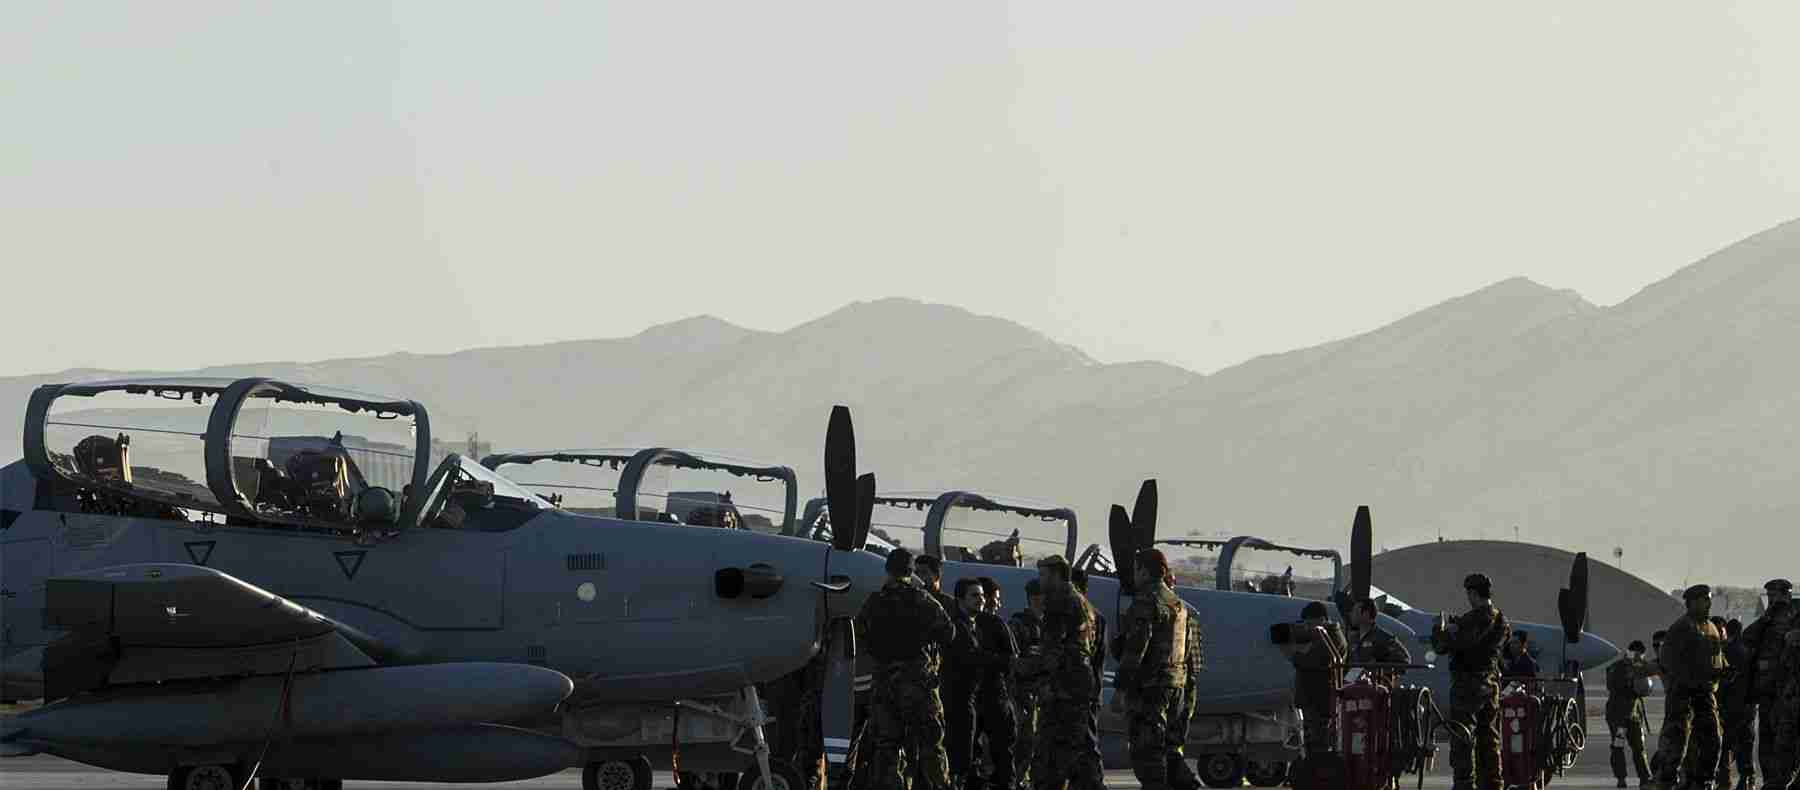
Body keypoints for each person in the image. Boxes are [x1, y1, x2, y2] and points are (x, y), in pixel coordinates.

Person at [855, 548, 955, 790]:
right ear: (911, 573)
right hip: (917, 682)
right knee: (931, 743)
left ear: (888, 570)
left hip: (884, 683)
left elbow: (861, 636)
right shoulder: (922, 600)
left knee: (887, 746)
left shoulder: (873, 602)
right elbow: (948, 633)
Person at [1022, 555, 1108, 790]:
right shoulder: (1083, 603)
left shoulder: (1058, 601)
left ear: (1057, 575)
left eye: (1043, 575)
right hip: (1079, 688)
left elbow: (1052, 651)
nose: (1040, 581)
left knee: (1051, 758)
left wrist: (1026, 670)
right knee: (1078, 752)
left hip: (1063, 690)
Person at [1111, 549, 1189, 790]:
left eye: (1136, 570)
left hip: (1150, 690)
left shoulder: (1147, 600)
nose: (1134, 575)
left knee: (1147, 758)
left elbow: (1136, 649)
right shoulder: (1177, 603)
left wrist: (1120, 690)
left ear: (1144, 571)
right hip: (1175, 686)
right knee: (1167, 753)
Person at [1432, 572, 1509, 790]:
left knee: (1462, 737)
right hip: (1490, 684)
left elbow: (1443, 646)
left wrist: (1440, 629)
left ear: (1473, 593)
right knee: (1489, 738)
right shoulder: (1501, 619)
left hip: (1467, 686)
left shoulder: (1473, 619)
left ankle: (1464, 784)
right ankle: (1493, 783)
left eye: (1468, 593)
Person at [1651, 584, 1726, 790]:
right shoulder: (1681, 628)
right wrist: (1687, 680)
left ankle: (1704, 782)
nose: (1709, 603)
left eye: (1709, 599)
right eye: (1705, 600)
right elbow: (1667, 660)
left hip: (1706, 694)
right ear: (1692, 603)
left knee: (1713, 740)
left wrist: (1722, 672)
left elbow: (1718, 659)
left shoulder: (1711, 628)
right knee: (1676, 744)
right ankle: (1666, 782)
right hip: (1683, 695)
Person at [944, 578, 1007, 790]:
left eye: (982, 595)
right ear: (960, 599)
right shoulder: (958, 627)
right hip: (957, 700)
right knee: (960, 758)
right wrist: (1004, 660)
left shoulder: (973, 626)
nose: (981, 600)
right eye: (974, 595)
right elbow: (972, 657)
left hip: (969, 699)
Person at [1742, 579, 1795, 788]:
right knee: (1767, 739)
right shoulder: (1766, 621)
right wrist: (1765, 619)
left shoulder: (1795, 620)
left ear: (1787, 595)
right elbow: (1747, 638)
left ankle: (1782, 780)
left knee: (1786, 739)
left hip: (1788, 691)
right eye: (1770, 596)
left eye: (1776, 595)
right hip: (1767, 691)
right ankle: (1771, 780)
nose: (1773, 600)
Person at [1282, 600, 1348, 758]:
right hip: (1316, 696)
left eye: (1309, 622)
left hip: (1318, 697)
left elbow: (1313, 661)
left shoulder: (1329, 636)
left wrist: (1290, 654)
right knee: (1313, 738)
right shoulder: (1328, 635)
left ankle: (1319, 771)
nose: (1308, 627)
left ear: (1321, 619)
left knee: (1318, 740)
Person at [973, 577, 1019, 790]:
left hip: (970, 696)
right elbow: (1012, 661)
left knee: (971, 752)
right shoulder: (996, 624)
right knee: (1003, 752)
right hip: (994, 695)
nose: (998, 604)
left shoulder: (961, 623)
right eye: (996, 599)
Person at [1010, 578, 1047, 788]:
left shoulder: (1050, 625)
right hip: (1025, 695)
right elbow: (1015, 662)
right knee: (1024, 745)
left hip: (1044, 696)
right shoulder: (1020, 625)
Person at [1165, 599, 1206, 790]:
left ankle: (1184, 780)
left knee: (1166, 746)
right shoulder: (1188, 614)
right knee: (1174, 742)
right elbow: (1196, 665)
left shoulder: (1159, 610)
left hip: (1172, 687)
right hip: (1184, 688)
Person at [1608, 640, 1655, 788]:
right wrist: (1632, 685)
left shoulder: (1640, 666)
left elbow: (1646, 687)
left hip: (1633, 716)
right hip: (1619, 717)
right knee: (1619, 746)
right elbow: (1613, 686)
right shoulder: (1617, 668)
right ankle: (1621, 778)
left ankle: (1645, 778)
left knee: (1639, 747)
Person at [1715, 618, 1752, 790]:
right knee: (1744, 744)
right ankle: (1746, 779)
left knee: (1726, 745)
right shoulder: (1747, 651)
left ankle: (1726, 780)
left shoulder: (1726, 652)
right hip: (1746, 706)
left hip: (1729, 707)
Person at [1347, 597, 1412, 669]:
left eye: (1355, 612)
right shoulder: (1353, 639)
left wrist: (1380, 671)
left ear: (1366, 614)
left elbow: (1405, 660)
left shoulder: (1383, 638)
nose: (1351, 615)